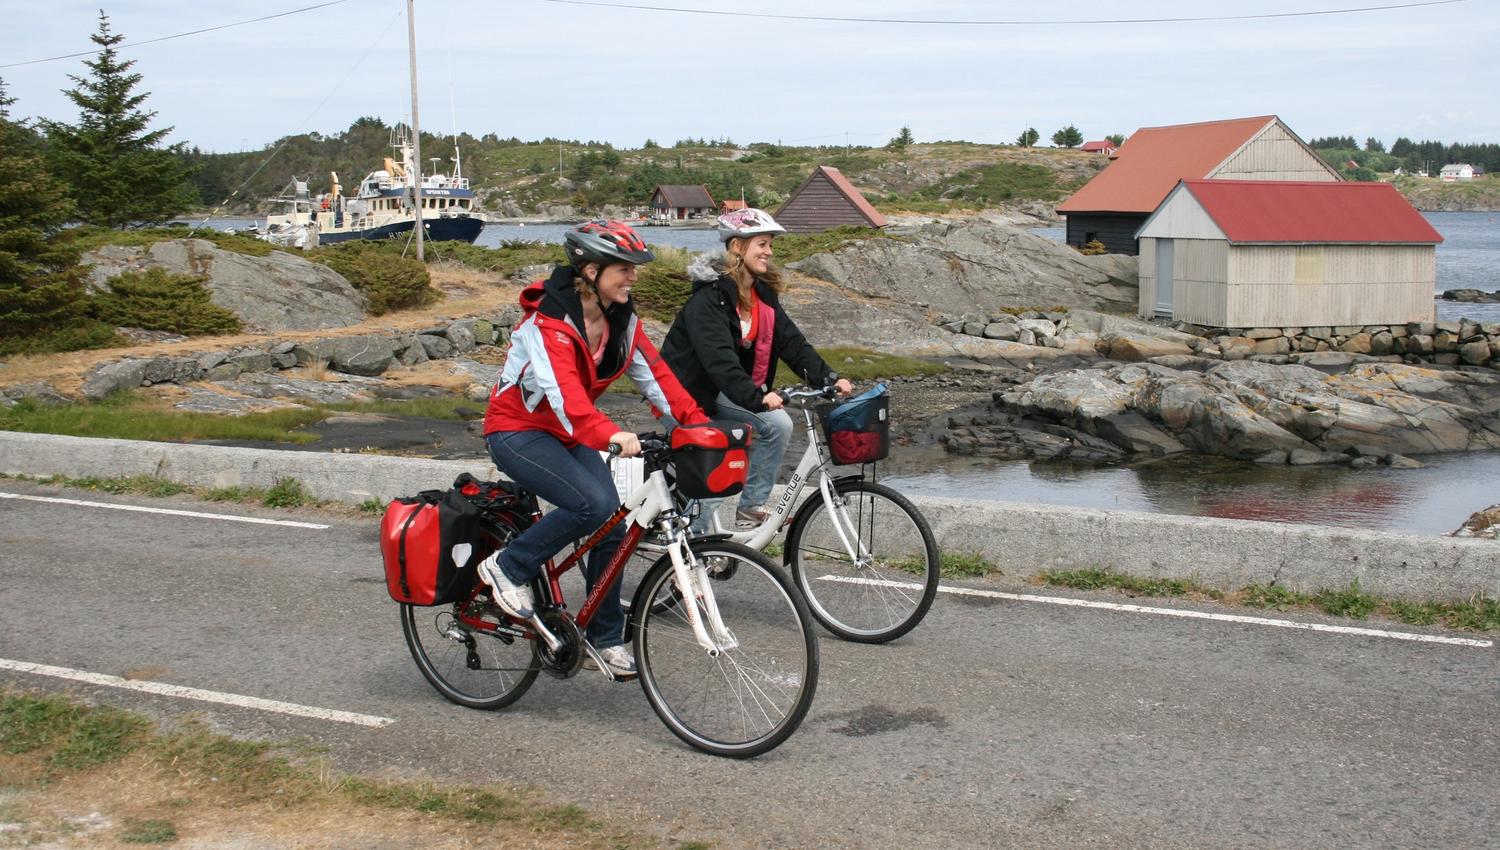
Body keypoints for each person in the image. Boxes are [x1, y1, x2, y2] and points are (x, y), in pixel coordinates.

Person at [477, 220, 708, 680]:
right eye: (623, 268)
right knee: (593, 504)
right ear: (588, 269)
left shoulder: (622, 321)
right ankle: (509, 566)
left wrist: (701, 428)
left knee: (613, 522)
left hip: (568, 435)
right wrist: (611, 435)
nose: (633, 276)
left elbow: (658, 380)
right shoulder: (549, 322)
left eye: (634, 268)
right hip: (515, 431)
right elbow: (565, 399)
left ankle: (605, 639)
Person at [658, 208, 852, 531]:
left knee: (778, 425)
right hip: (682, 395)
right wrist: (756, 397)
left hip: (718, 392)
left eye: (770, 244)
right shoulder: (709, 299)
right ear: (737, 246)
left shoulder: (762, 296)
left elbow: (792, 343)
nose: (769, 251)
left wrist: (829, 377)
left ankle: (750, 509)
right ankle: (687, 551)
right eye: (762, 243)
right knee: (720, 461)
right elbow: (719, 361)